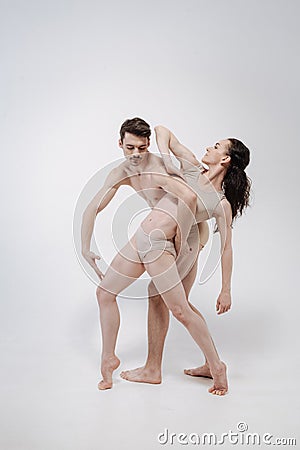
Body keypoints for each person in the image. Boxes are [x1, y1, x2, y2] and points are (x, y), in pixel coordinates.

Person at [81, 118, 211, 390]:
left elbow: (188, 199)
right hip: (156, 229)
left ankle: (210, 365)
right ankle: (109, 359)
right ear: (120, 144)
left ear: (148, 144)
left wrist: (179, 240)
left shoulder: (159, 168)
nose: (136, 154)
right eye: (130, 148)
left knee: (175, 305)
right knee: (105, 293)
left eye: (141, 147)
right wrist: (85, 247)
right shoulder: (122, 172)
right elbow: (93, 206)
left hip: (187, 231)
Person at [120, 125, 251, 386]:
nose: (208, 148)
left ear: (225, 159)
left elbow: (226, 247)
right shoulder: (190, 166)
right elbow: (162, 130)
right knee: (170, 302)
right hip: (171, 243)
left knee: (178, 308)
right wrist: (167, 156)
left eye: (215, 146)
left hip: (186, 250)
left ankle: (215, 367)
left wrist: (226, 289)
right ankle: (166, 367)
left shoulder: (220, 203)